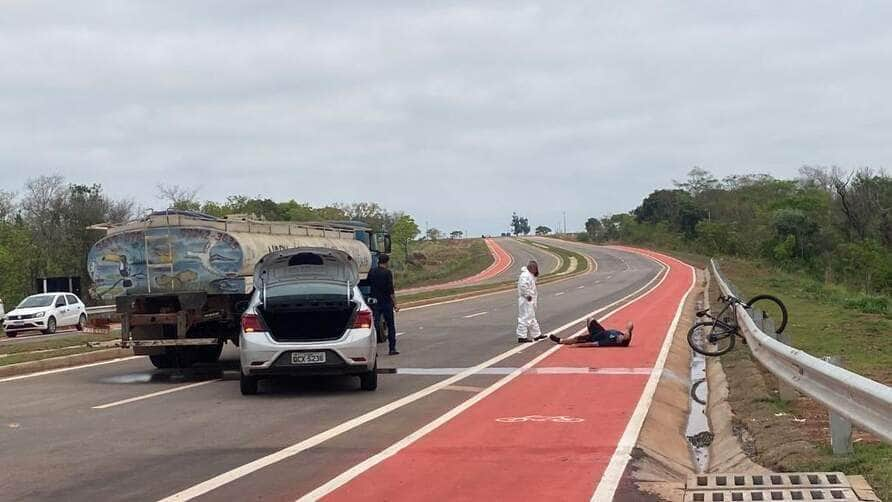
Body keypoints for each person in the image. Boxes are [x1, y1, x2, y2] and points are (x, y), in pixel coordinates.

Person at [368, 253, 400, 355]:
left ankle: (374, 351)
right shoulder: (387, 273)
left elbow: (368, 283)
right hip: (386, 302)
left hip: (375, 302)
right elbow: (391, 289)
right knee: (390, 325)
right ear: (387, 262)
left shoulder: (372, 272)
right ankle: (392, 348)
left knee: (375, 325)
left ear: (378, 261)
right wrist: (395, 304)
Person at [516, 260, 546, 343]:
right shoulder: (525, 275)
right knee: (525, 318)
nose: (535, 270)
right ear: (530, 268)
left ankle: (536, 334)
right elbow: (523, 286)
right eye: (534, 268)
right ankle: (521, 336)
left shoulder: (530, 275)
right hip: (526, 300)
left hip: (530, 299)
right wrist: (527, 295)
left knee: (532, 317)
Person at [550, 318, 634, 346]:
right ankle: (589, 334)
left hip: (594, 337)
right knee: (590, 319)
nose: (623, 334)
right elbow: (630, 324)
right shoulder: (624, 335)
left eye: (624, 336)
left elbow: (595, 344)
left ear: (620, 341)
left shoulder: (610, 341)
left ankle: (560, 341)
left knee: (576, 339)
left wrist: (581, 345)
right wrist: (627, 330)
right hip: (601, 331)